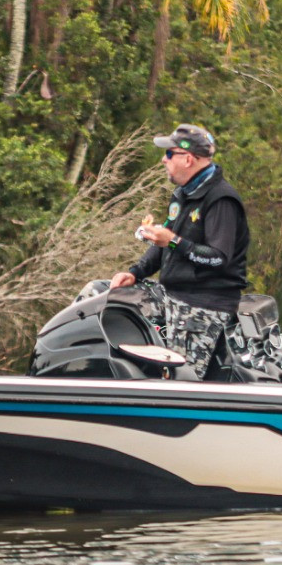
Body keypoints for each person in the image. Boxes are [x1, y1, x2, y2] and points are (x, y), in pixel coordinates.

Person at [111, 124, 249, 378]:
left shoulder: (221, 199)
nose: (163, 160)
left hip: (203, 308)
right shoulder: (183, 194)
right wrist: (135, 273)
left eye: (169, 154)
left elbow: (218, 258)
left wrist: (174, 241)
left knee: (183, 383)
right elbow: (165, 243)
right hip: (175, 299)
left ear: (188, 159)